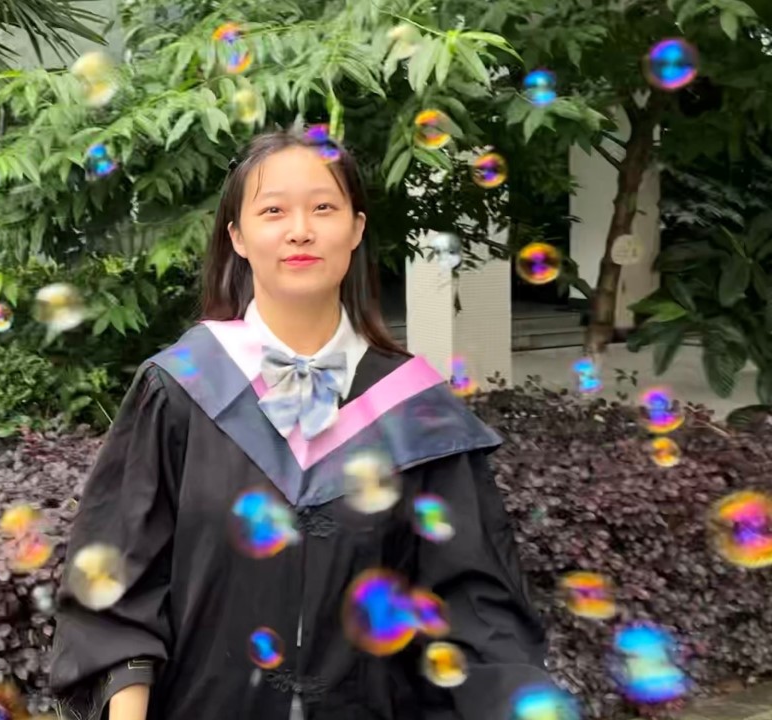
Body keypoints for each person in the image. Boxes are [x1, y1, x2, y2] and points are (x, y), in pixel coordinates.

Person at [48, 129, 552, 720]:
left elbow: (478, 612)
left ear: (356, 229)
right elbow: (118, 587)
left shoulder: (417, 412)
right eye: (273, 211)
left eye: (323, 207)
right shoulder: (181, 387)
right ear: (237, 237)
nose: (300, 230)